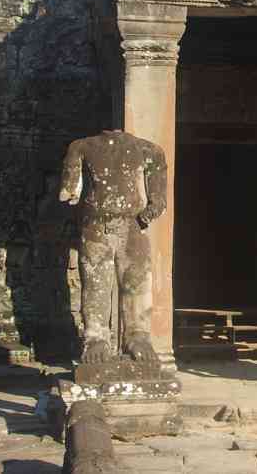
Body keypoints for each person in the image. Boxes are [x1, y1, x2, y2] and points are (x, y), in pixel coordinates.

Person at [60, 130, 167, 366]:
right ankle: (98, 338)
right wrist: (146, 214)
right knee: (105, 283)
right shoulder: (81, 147)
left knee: (132, 282)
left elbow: (68, 194)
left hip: (117, 225)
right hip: (112, 225)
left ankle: (136, 337)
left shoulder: (149, 150)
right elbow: (159, 203)